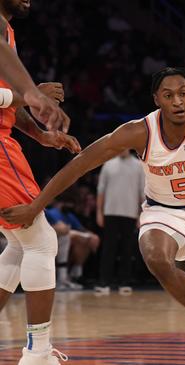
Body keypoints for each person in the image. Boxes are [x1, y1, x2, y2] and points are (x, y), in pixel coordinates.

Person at [1, 67, 185, 365]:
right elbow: (81, 164)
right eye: (168, 95)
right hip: (163, 209)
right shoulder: (139, 131)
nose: (177, 101)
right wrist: (37, 205)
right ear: (156, 99)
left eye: (183, 94)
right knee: (156, 259)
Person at [0, 1, 80, 364]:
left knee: (19, 243)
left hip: (6, 138)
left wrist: (40, 135)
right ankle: (38, 354)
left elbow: (6, 103)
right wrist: (30, 95)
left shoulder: (7, 29)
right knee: (41, 241)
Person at [95, 150, 145, 294]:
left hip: (130, 213)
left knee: (127, 249)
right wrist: (99, 212)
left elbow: (142, 192)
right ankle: (104, 282)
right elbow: (101, 191)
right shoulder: (108, 164)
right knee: (108, 249)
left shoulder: (138, 165)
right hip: (110, 212)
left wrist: (141, 214)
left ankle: (125, 282)